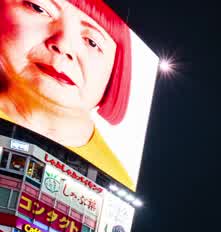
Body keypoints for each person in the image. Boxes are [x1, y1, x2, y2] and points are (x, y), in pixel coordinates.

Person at [0, 0, 138, 186]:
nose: (63, 45)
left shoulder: (116, 182)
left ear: (116, 71)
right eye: (39, 8)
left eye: (91, 42)